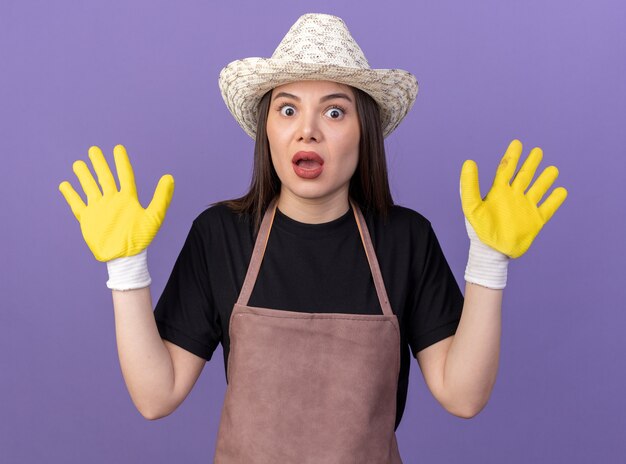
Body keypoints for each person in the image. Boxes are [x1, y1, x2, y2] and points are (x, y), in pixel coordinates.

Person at [58, 13, 567, 463]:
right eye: (287, 110)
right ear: (268, 133)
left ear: (363, 131)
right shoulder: (220, 236)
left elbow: (463, 395)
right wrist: (125, 269)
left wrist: (489, 261)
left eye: (334, 111)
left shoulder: (404, 238)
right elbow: (156, 395)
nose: (307, 131)